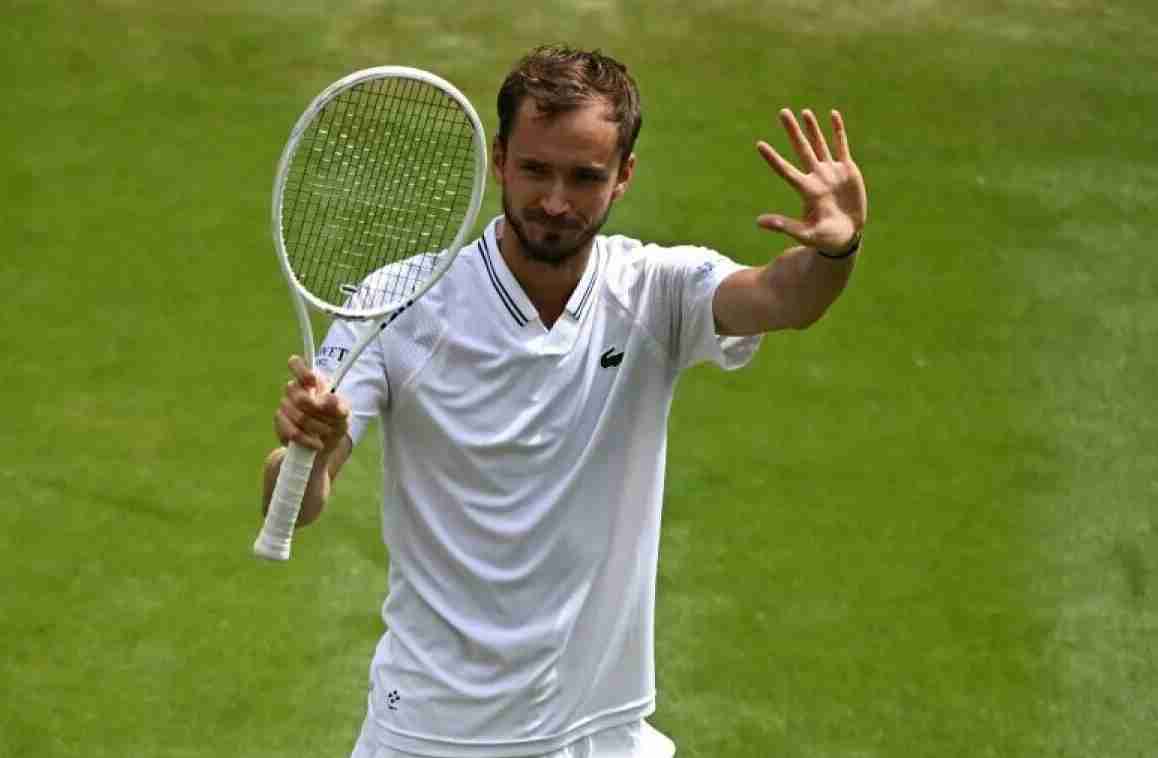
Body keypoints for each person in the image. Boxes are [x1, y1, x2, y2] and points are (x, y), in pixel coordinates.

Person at [261, 45, 867, 758]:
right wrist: (314, 442)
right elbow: (297, 500)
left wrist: (837, 249)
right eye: (535, 170)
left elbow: (780, 298)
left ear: (624, 178)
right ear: (498, 160)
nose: (554, 201)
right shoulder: (399, 304)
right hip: (429, 732)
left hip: (598, 732)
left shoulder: (654, 290)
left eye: (585, 177)